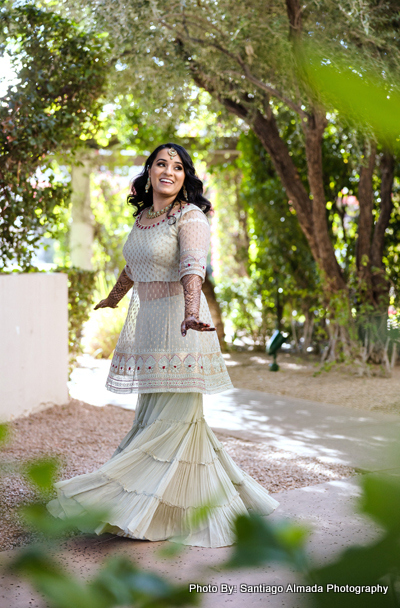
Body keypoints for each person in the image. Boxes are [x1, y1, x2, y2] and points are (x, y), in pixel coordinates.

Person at [46, 143, 279, 547]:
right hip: (150, 327)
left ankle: (135, 506)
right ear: (149, 170)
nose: (168, 171)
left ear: (185, 176)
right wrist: (115, 296)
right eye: (161, 164)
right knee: (156, 419)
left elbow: (193, 266)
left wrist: (192, 310)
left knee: (178, 419)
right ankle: (170, 505)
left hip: (180, 326)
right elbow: (135, 264)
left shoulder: (189, 216)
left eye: (177, 166)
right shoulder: (145, 217)